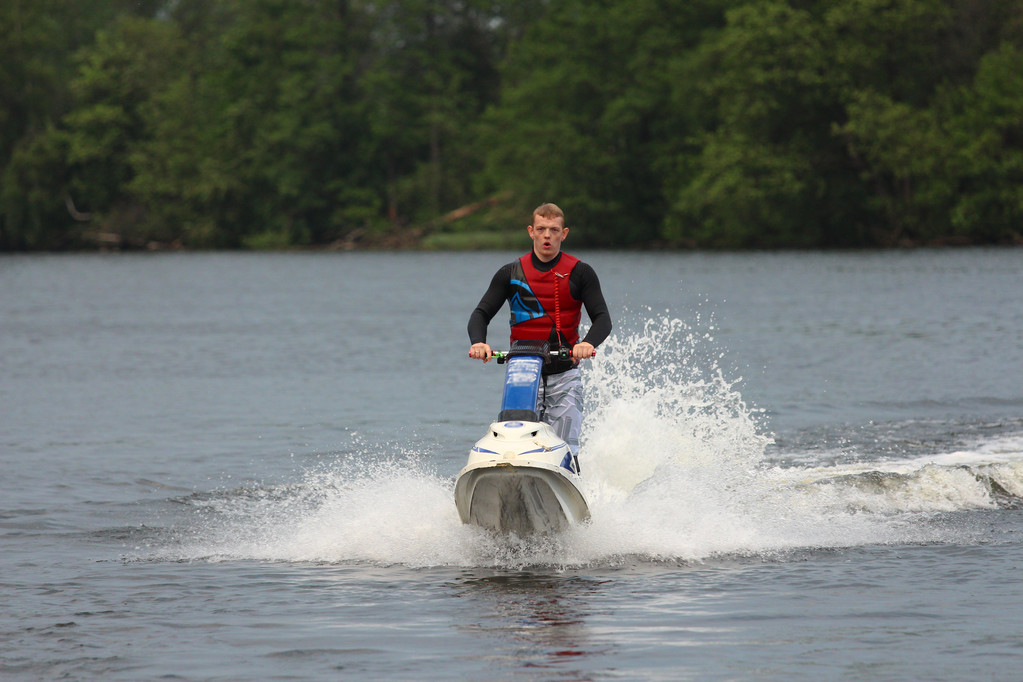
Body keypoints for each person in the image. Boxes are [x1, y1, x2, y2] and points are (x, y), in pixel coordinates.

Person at [468, 203, 612, 471]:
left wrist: (587, 343)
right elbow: (481, 314)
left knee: (565, 445)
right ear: (531, 231)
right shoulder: (509, 273)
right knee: (515, 441)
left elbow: (603, 318)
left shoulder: (581, 273)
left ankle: (571, 481)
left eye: (554, 230)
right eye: (542, 229)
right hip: (521, 374)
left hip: (564, 373)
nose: (547, 235)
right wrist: (478, 342)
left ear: (564, 234)